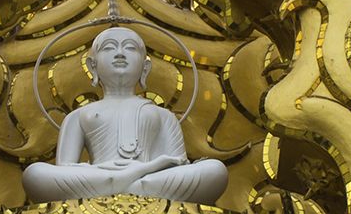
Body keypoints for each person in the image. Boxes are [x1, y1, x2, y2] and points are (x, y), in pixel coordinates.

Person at [23, 26, 228, 204]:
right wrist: (142, 168)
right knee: (35, 174)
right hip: (114, 176)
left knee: (215, 170)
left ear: (145, 68)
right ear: (92, 66)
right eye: (109, 48)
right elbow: (66, 167)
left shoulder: (164, 116)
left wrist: (147, 169)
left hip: (139, 181)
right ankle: (131, 182)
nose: (120, 54)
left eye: (130, 48)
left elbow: (176, 164)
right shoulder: (77, 116)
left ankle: (120, 183)